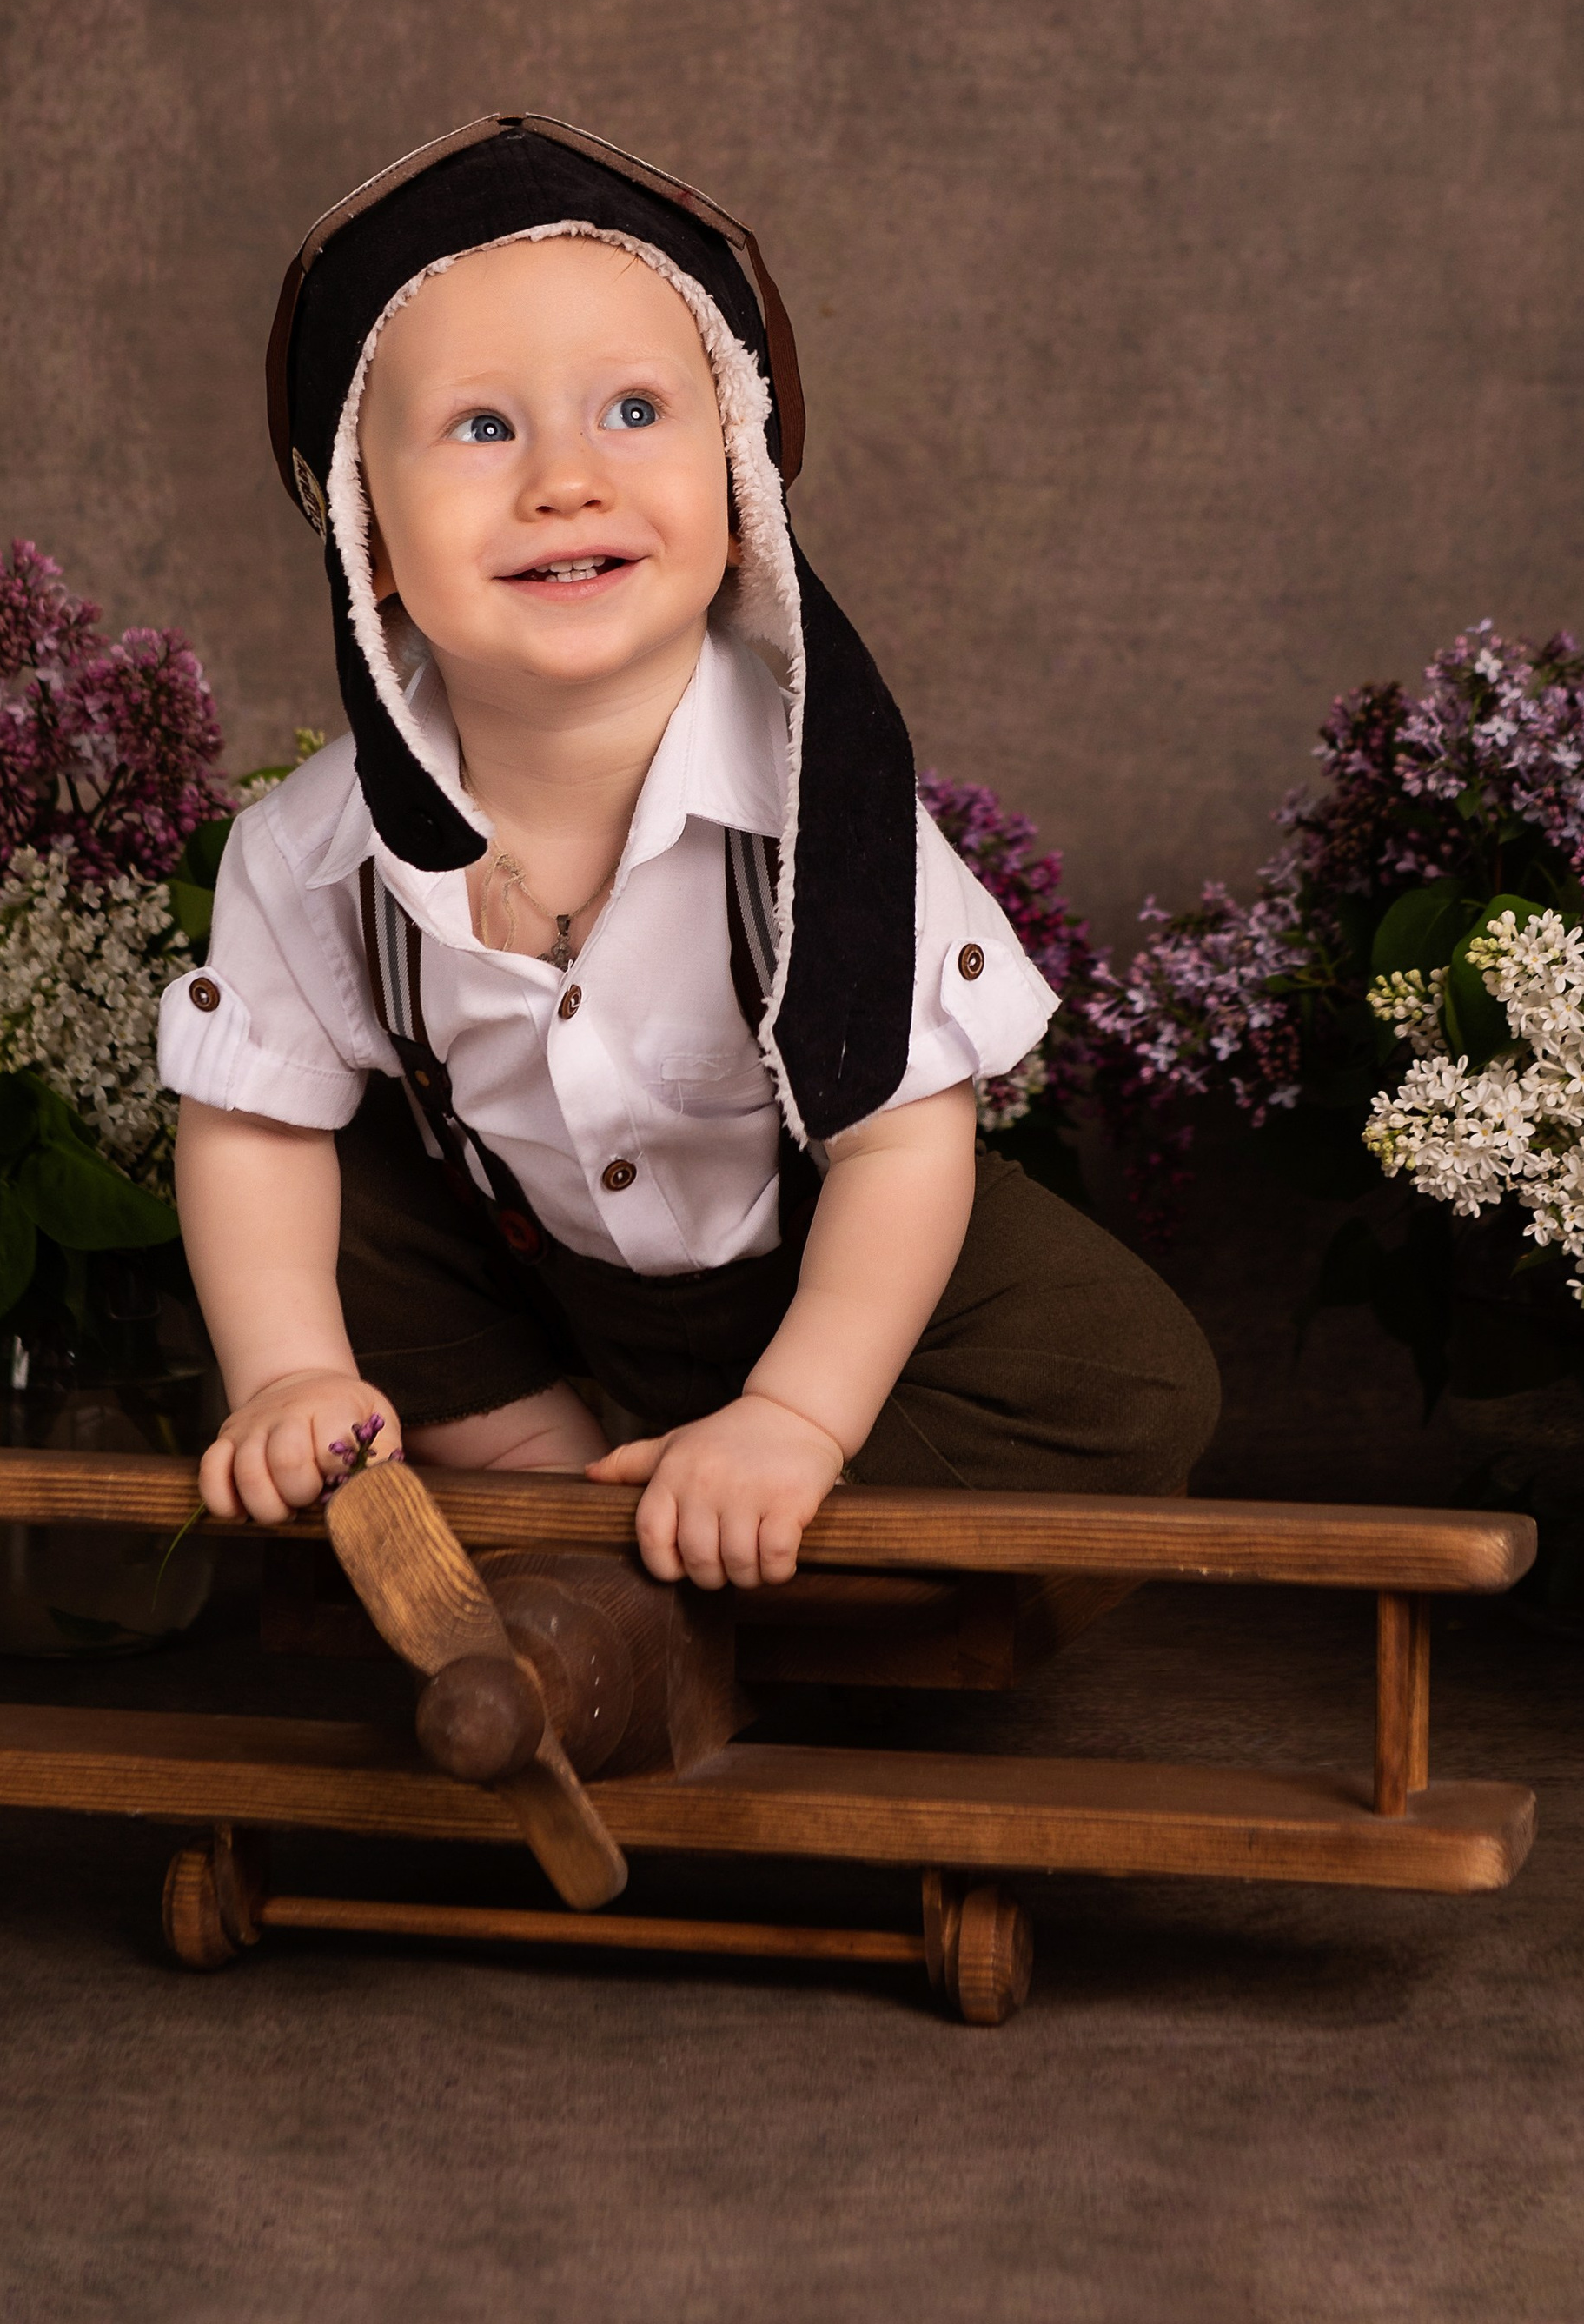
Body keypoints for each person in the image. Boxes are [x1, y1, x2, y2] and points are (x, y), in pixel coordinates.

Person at [160, 117, 1217, 1589]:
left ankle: (751, 1490)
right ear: (368, 542)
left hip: (826, 1255)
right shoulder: (312, 852)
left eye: (636, 413)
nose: (565, 481)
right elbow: (256, 1124)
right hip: (542, 1284)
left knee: (1127, 1373)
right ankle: (582, 1490)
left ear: (739, 490)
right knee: (279, 1228)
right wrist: (285, 1372)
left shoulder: (821, 806)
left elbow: (908, 1141)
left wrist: (795, 1412)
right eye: (481, 428)